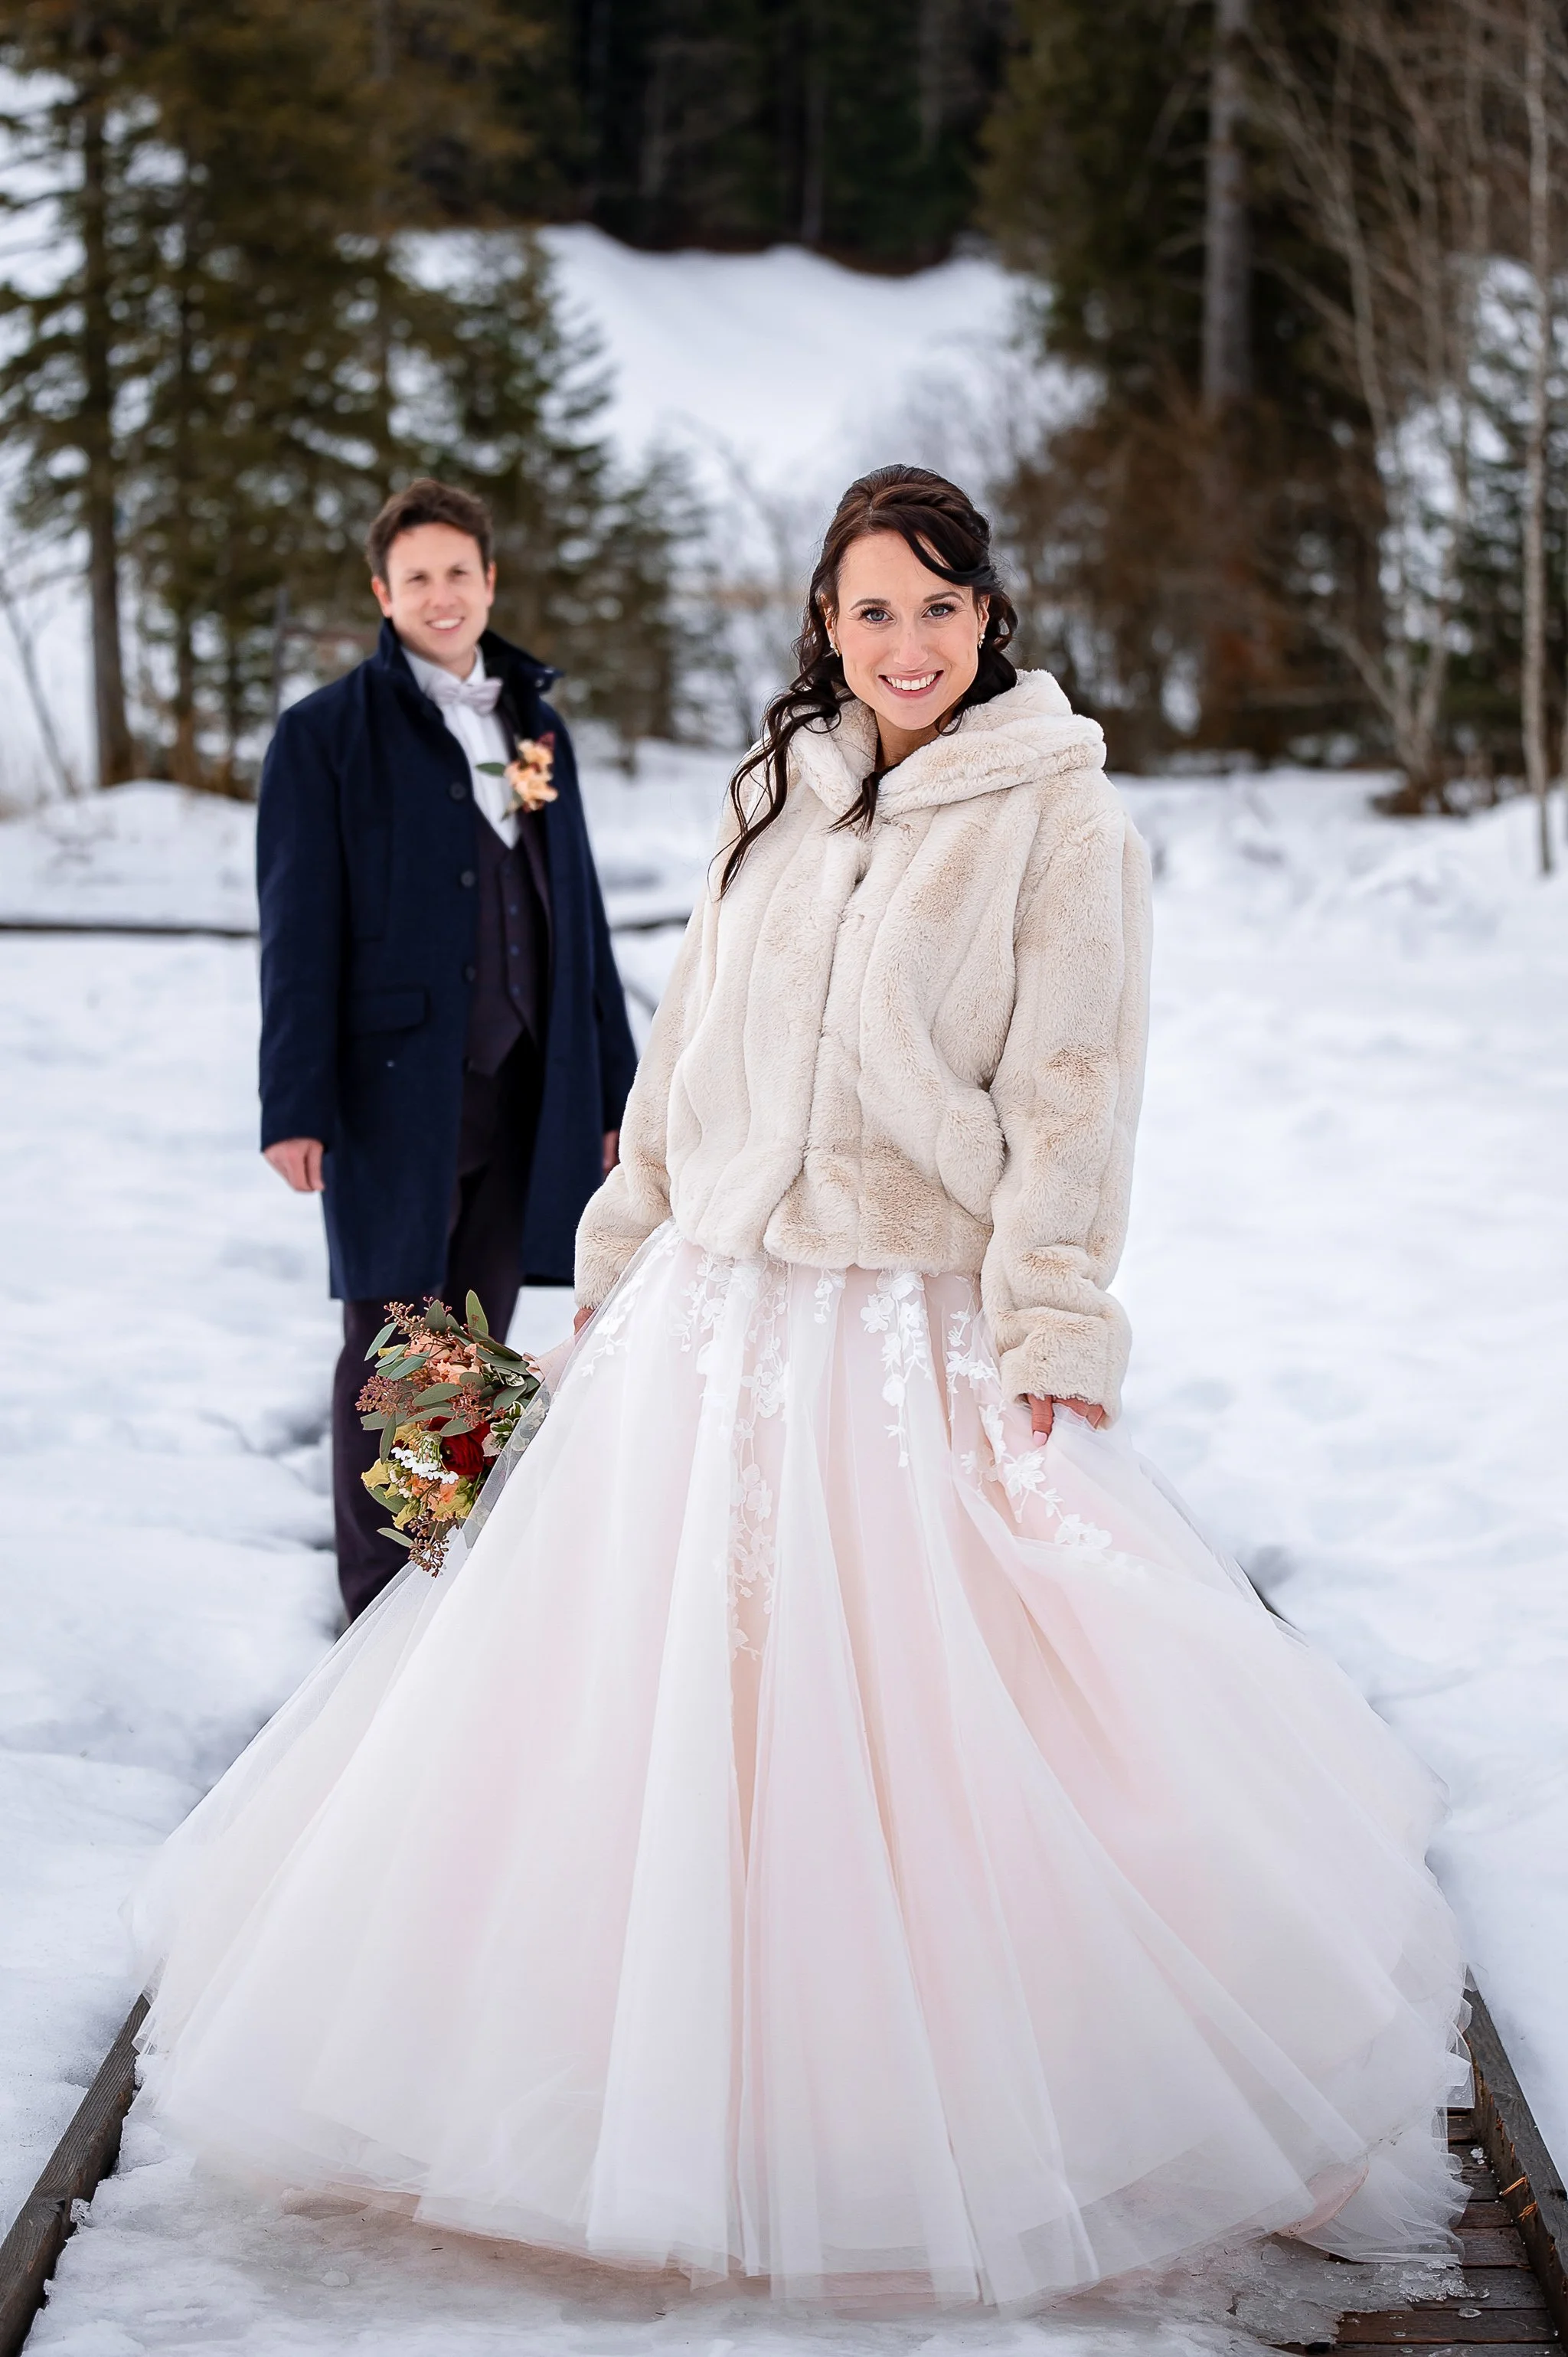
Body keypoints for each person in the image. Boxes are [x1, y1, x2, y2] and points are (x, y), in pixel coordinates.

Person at [133, 466, 1466, 2311]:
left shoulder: (1061, 819)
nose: (902, 645)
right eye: (868, 612)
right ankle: (632, 2044)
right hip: (689, 1285)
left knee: (948, 1698)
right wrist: (626, 1239)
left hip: (908, 1310)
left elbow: (1076, 1093)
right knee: (616, 1661)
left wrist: (1053, 1317)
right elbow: (689, 1046)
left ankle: (939, 2095)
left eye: (934, 606)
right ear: (824, 630)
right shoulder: (771, 785)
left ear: (988, 616)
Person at [256, 478, 636, 1620]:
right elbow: (297, 927)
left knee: (471, 1331)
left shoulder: (534, 724)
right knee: (393, 1334)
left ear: (489, 582)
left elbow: (574, 905)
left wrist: (616, 1087)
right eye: (415, 576)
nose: (440, 593)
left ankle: (437, 1570)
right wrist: (295, 1099)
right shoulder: (326, 735)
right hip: (390, 1092)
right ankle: (379, 1606)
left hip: (526, 1080)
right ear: (382, 593)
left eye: (458, 572)